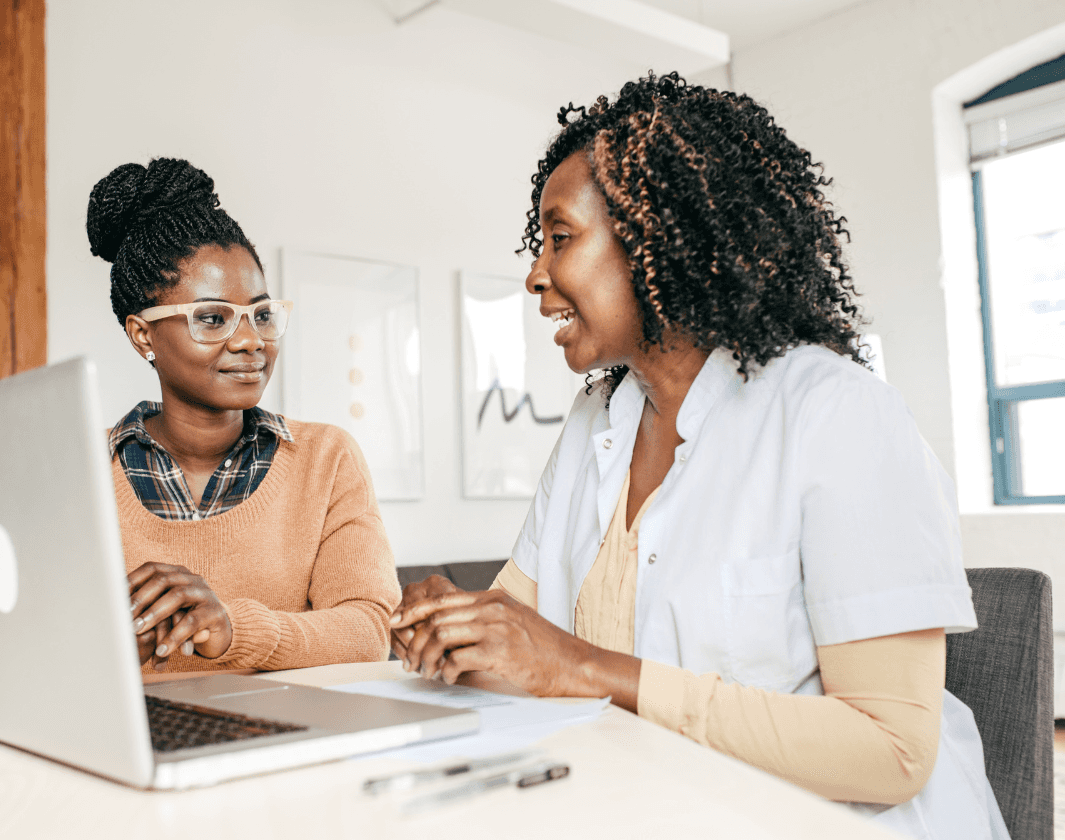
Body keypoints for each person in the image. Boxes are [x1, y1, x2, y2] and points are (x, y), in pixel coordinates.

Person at [390, 74, 1008, 839]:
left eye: (560, 238)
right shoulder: (597, 422)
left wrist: (581, 667)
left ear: (656, 234)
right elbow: (524, 647)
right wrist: (454, 626)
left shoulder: (835, 413)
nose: (535, 276)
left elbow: (892, 750)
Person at [87, 157, 400, 675]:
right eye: (212, 318)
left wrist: (231, 628)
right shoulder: (81, 469)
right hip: (126, 743)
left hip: (285, 741)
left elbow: (370, 630)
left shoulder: (325, 459)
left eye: (261, 314)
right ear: (142, 335)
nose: (252, 340)